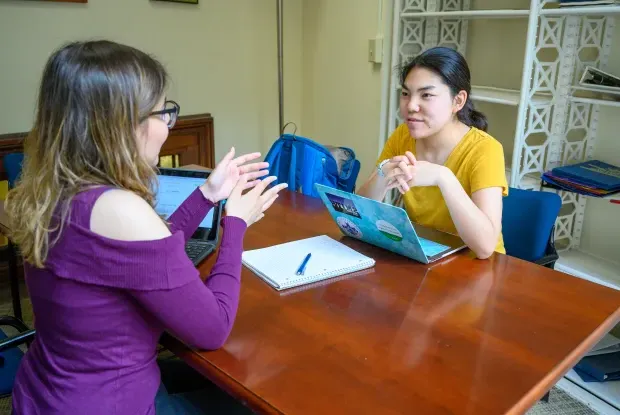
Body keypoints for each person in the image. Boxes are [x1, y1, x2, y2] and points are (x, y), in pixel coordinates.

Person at [5, 40, 288, 414]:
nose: (168, 127)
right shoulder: (119, 208)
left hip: (46, 393)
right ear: (120, 125)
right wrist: (235, 223)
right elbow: (214, 328)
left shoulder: (45, 190)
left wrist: (207, 194)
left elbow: (141, 253)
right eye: (162, 113)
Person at [357, 46, 508, 259]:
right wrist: (382, 175)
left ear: (458, 101)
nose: (411, 106)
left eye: (426, 95)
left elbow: (485, 248)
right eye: (405, 94)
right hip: (423, 257)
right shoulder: (404, 135)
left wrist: (443, 177)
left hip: (475, 269)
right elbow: (359, 213)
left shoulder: (485, 149)